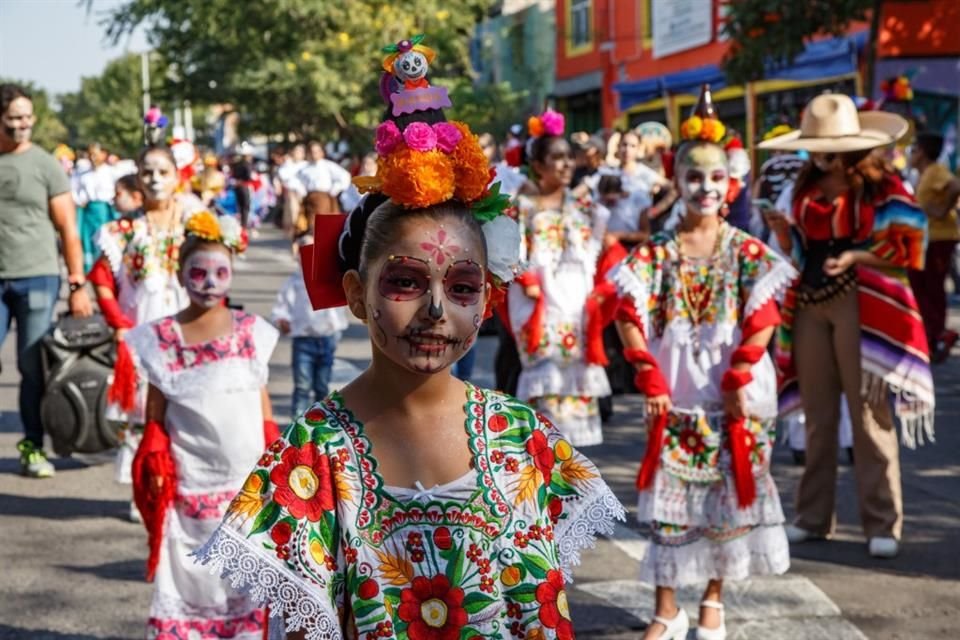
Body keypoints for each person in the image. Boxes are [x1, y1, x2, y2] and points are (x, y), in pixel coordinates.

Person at [194, 41, 624, 639]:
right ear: (354, 293)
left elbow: (542, 616)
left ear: (490, 298)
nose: (435, 310)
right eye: (404, 281)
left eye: (464, 286)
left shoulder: (523, 439)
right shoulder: (312, 452)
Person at [611, 86, 793, 640]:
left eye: (716, 178)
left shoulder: (747, 251)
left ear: (731, 183)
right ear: (676, 179)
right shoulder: (657, 252)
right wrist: (647, 374)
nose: (706, 188)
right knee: (670, 501)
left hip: (733, 397)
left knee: (724, 501)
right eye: (694, 177)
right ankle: (667, 607)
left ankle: (713, 598)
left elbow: (764, 317)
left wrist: (740, 373)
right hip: (677, 393)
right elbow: (626, 312)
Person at [760, 93, 935, 559]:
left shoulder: (883, 187)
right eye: (816, 145)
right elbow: (799, 248)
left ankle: (883, 522)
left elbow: (912, 243)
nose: (821, 153)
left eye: (830, 144)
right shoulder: (803, 185)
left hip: (864, 301)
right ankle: (813, 518)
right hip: (811, 301)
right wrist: (783, 232)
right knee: (817, 418)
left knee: (868, 415)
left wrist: (858, 254)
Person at [127, 210, 278, 638]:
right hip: (190, 494)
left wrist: (276, 470)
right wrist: (154, 469)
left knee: (247, 587)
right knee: (195, 583)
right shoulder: (160, 341)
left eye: (219, 272)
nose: (209, 282)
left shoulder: (252, 333)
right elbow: (154, 418)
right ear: (180, 274)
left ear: (232, 272)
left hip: (247, 491)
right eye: (199, 272)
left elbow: (263, 411)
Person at [88, 145, 198, 514]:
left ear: (177, 176)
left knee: (185, 413)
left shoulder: (195, 224)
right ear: (138, 177)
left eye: (162, 172)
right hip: (142, 333)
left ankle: (181, 486)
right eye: (147, 172)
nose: (155, 180)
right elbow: (101, 280)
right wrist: (119, 325)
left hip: (187, 331)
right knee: (142, 415)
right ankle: (145, 491)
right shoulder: (121, 230)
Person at [0, 83, 93, 478]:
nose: (24, 124)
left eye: (28, 117)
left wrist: (77, 283)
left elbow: (68, 227)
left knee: (32, 368)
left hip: (37, 277)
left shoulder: (44, 164)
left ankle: (32, 446)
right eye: (15, 118)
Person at [508, 109, 612, 446]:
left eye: (569, 157)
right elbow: (510, 257)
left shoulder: (582, 207)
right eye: (557, 158)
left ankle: (574, 471)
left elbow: (594, 252)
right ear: (538, 165)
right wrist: (528, 282)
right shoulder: (522, 206)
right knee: (545, 381)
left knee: (576, 380)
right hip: (540, 302)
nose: (567, 164)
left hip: (575, 302)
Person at [272, 231, 349, 416]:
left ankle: (320, 423)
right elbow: (281, 306)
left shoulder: (327, 281)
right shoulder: (294, 282)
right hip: (303, 342)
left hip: (326, 339)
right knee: (302, 386)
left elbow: (338, 310)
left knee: (322, 387)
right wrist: (282, 320)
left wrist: (335, 329)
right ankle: (297, 426)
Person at [907, 131, 960, 362]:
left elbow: (955, 185)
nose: (911, 154)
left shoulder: (936, 171)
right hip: (927, 238)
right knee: (922, 286)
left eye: (914, 149)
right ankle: (931, 334)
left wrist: (942, 209)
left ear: (922, 152)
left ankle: (938, 335)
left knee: (933, 288)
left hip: (939, 238)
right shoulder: (924, 174)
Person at [75, 142, 119, 271]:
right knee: (88, 239)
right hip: (89, 212)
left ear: (103, 154)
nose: (93, 158)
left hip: (105, 211)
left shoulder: (111, 172)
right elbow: (77, 193)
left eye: (95, 154)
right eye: (90, 155)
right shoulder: (84, 175)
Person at [296, 140, 352, 211]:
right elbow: (297, 180)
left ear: (322, 152)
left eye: (317, 151)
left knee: (322, 220)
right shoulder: (304, 168)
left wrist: (334, 190)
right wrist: (302, 191)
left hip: (324, 198)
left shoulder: (328, 165)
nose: (314, 154)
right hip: (308, 198)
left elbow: (345, 176)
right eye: (312, 152)